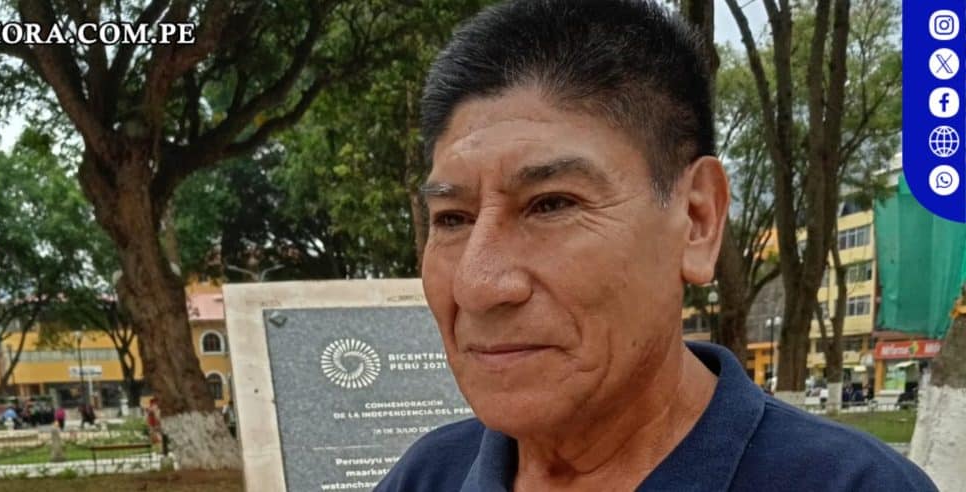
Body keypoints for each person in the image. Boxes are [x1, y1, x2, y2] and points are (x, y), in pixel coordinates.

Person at [376, 1, 937, 490]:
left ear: (697, 220)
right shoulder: (428, 476)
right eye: (452, 218)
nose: (476, 285)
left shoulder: (852, 485)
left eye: (551, 204)